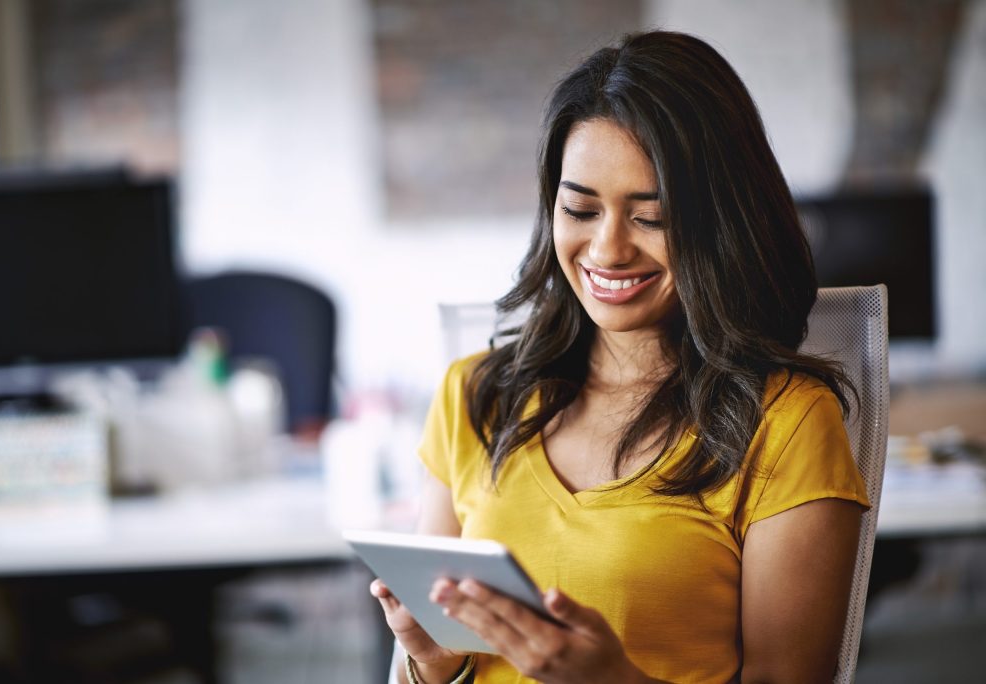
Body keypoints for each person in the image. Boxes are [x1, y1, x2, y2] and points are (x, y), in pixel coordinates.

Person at [371, 30, 869, 684]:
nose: (607, 250)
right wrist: (434, 663)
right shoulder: (477, 395)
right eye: (580, 208)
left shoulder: (787, 424)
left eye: (651, 217)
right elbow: (424, 668)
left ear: (721, 222)